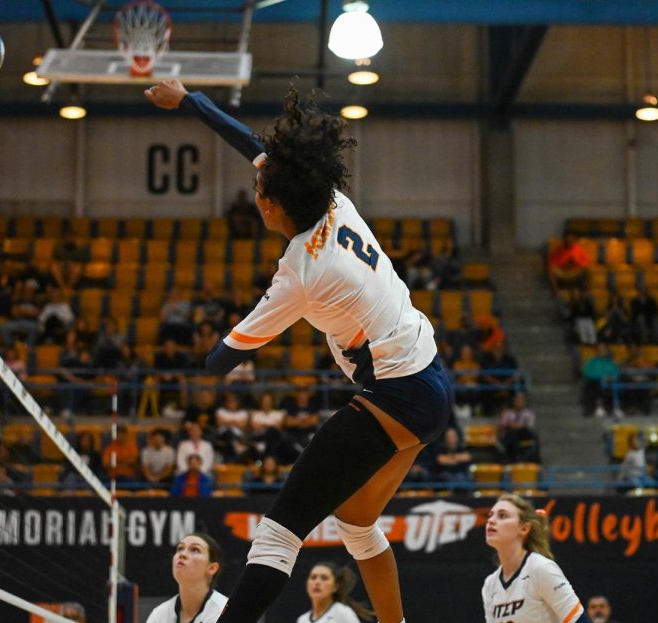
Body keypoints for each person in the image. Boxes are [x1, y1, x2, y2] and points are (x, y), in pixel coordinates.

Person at [146, 80, 451, 623]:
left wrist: (185, 348)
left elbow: (222, 359)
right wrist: (188, 100)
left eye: (260, 186)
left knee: (279, 529)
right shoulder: (331, 200)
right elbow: (250, 144)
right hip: (430, 377)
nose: (254, 184)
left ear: (270, 204)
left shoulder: (301, 275)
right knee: (356, 524)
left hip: (400, 393)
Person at [482, 494, 587, 623]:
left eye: (502, 515)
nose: (491, 521)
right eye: (490, 515)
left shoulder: (540, 568)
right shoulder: (490, 584)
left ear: (524, 528)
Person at [145, 533, 227, 623]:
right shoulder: (159, 615)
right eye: (180, 548)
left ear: (212, 568)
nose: (182, 554)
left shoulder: (223, 611)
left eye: (195, 550)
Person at [297, 562, 373, 623]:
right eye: (313, 577)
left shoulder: (342, 612)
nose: (317, 582)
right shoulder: (302, 619)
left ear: (335, 586)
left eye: (324, 578)